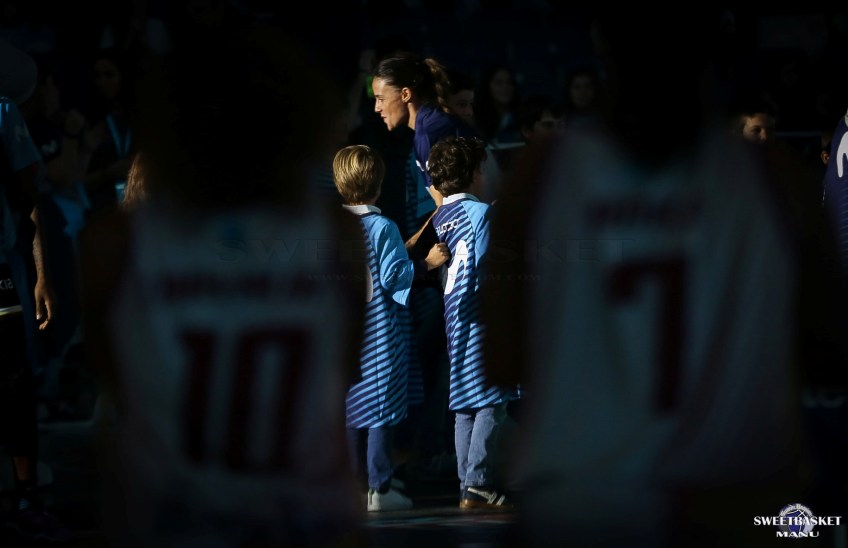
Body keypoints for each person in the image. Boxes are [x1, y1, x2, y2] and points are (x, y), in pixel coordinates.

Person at [482, 12, 847, 547]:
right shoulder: (779, 180)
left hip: (583, 499)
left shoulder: (542, 175)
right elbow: (826, 355)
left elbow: (503, 358)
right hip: (733, 499)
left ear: (603, 41)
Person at [79, 25, 368, 547]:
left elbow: (121, 386)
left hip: (176, 516)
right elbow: (338, 372)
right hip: (300, 515)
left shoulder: (114, 243)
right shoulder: (335, 233)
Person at [333, 144, 449, 512]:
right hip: (380, 334)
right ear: (379, 185)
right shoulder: (383, 227)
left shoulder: (335, 227)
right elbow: (394, 276)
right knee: (381, 409)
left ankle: (356, 485)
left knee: (354, 409)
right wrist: (428, 263)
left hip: (348, 332)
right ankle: (380, 489)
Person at [428, 136, 513, 509]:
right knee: (492, 400)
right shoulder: (481, 214)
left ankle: (467, 484)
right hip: (478, 317)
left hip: (453, 317)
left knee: (464, 403)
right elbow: (486, 267)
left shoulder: (441, 216)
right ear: (476, 172)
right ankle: (477, 481)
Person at [0, 92, 70, 542]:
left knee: (13, 382)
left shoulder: (2, 111)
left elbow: (29, 197)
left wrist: (42, 274)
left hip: (1, 269)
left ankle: (27, 501)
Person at [371, 51, 478, 207]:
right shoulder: (428, 128)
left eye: (381, 99)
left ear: (405, 94)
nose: (377, 108)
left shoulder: (431, 131)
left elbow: (447, 207)